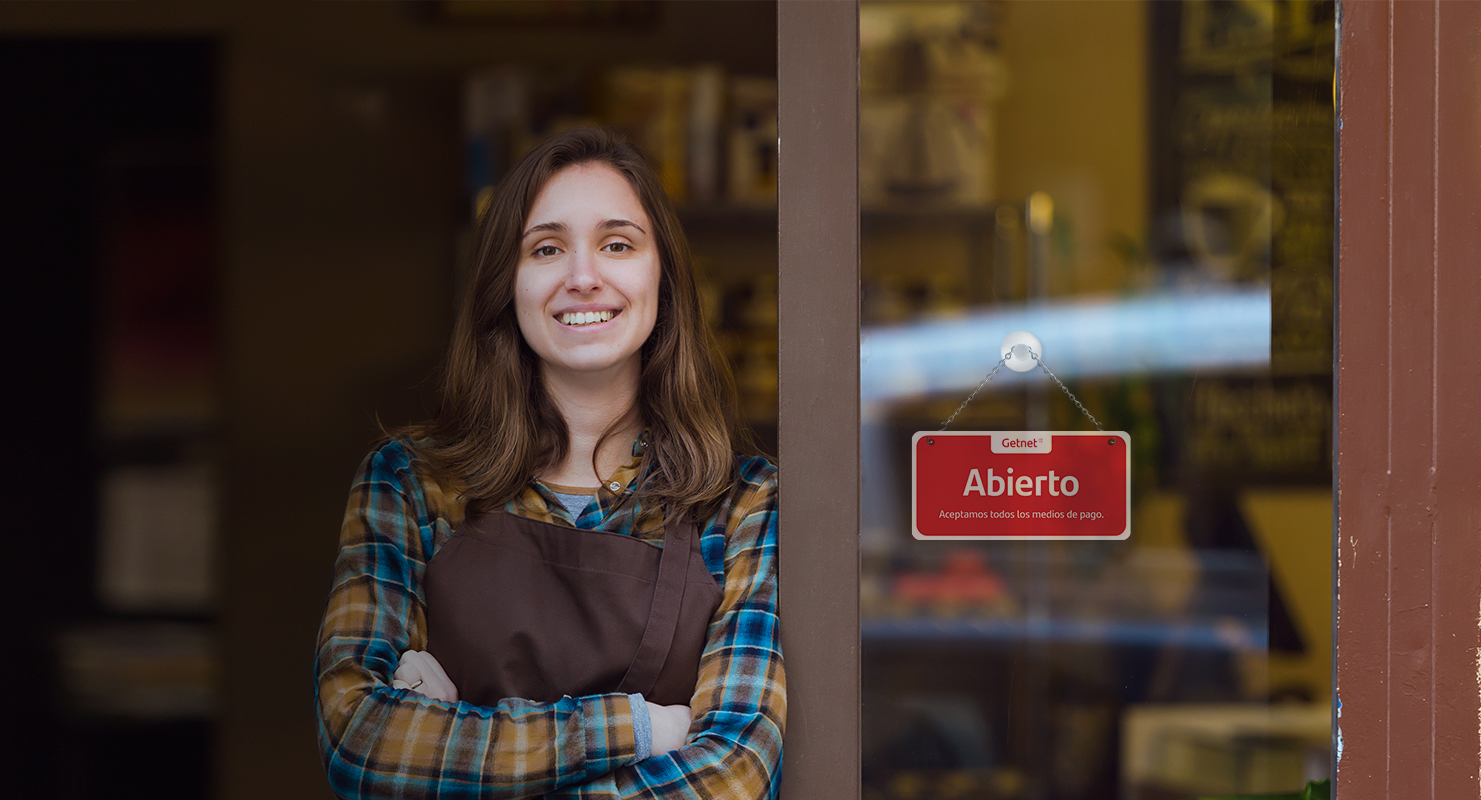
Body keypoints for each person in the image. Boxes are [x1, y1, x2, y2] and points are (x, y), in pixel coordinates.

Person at [313, 127, 784, 799]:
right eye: (546, 248)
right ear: (506, 284)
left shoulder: (743, 503)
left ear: (664, 277)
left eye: (617, 244)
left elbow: (734, 774)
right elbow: (359, 741)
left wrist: (459, 743)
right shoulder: (411, 483)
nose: (583, 277)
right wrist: (641, 730)